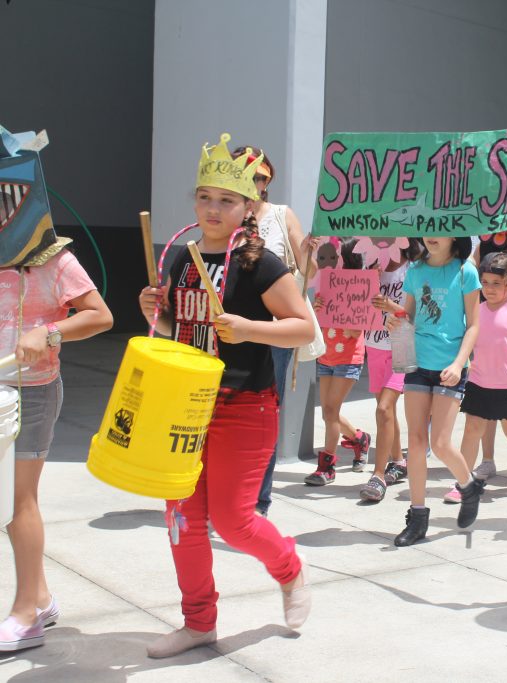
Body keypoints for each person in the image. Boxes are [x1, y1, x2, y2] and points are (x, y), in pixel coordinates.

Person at [137, 134, 316, 657]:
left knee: (234, 523)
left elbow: (302, 328)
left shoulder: (259, 265)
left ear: (245, 208)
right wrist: (156, 306)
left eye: (227, 200)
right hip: (185, 406)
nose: (213, 209)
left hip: (245, 404)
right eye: (205, 197)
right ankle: (198, 622)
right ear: (194, 202)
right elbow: (180, 327)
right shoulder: (182, 261)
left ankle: (288, 566)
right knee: (182, 520)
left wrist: (249, 328)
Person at [0, 126, 114, 652]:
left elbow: (99, 315)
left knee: (16, 502)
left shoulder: (54, 261)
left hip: (32, 393)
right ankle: (40, 598)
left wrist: (47, 331)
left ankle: (24, 614)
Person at [237, 145, 322, 518]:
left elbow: (309, 271)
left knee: (265, 412)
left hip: (273, 329)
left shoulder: (281, 214)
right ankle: (229, 497)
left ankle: (258, 501)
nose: (255, 182)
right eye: (247, 174)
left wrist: (307, 251)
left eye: (260, 176)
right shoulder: (227, 212)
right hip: (231, 325)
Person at [387, 236, 483, 546]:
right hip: (416, 363)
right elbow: (408, 317)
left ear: (454, 235)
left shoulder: (465, 272)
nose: (432, 234)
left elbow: (473, 325)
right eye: (428, 227)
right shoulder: (414, 271)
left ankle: (469, 486)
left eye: (440, 228)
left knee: (440, 443)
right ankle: (417, 518)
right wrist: (395, 321)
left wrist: (459, 364)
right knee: (415, 442)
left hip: (450, 368)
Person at [456, 252, 507, 493]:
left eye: (497, 283)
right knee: (472, 429)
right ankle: (463, 481)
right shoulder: (475, 311)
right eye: (485, 283)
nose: (489, 289)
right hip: (479, 381)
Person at [304, 238, 371, 486]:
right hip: (326, 355)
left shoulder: (359, 287)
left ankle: (327, 466)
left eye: (334, 258)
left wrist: (339, 311)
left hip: (348, 358)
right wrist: (318, 308)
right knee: (329, 412)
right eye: (324, 258)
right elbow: (317, 323)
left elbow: (355, 330)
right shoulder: (324, 286)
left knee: (330, 411)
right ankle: (359, 438)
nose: (328, 263)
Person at [358, 237, 419, 502]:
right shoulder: (370, 263)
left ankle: (378, 475)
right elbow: (355, 302)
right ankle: (398, 460)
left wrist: (392, 307)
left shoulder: (414, 268)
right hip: (374, 343)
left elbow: (420, 315)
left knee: (383, 408)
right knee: (387, 412)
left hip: (402, 344)